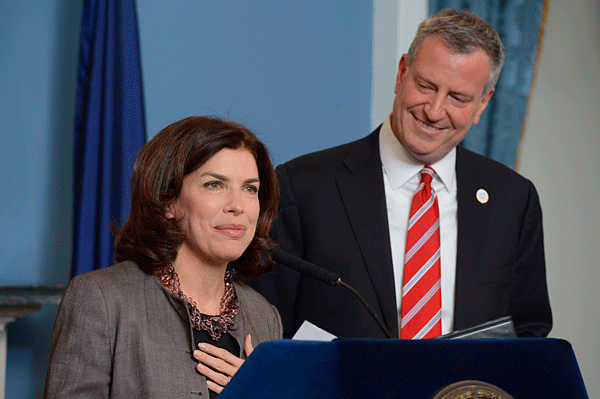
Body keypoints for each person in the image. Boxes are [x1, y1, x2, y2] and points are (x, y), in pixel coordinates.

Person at [248, 9, 551, 339]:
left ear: (482, 103)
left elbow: (528, 332)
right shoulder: (302, 187)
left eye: (458, 98)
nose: (434, 111)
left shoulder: (513, 200)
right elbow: (264, 324)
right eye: (425, 85)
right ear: (402, 72)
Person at [44, 116, 282, 398]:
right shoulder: (102, 299)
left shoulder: (264, 316)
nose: (238, 206)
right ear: (168, 199)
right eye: (214, 185)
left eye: (249, 188)